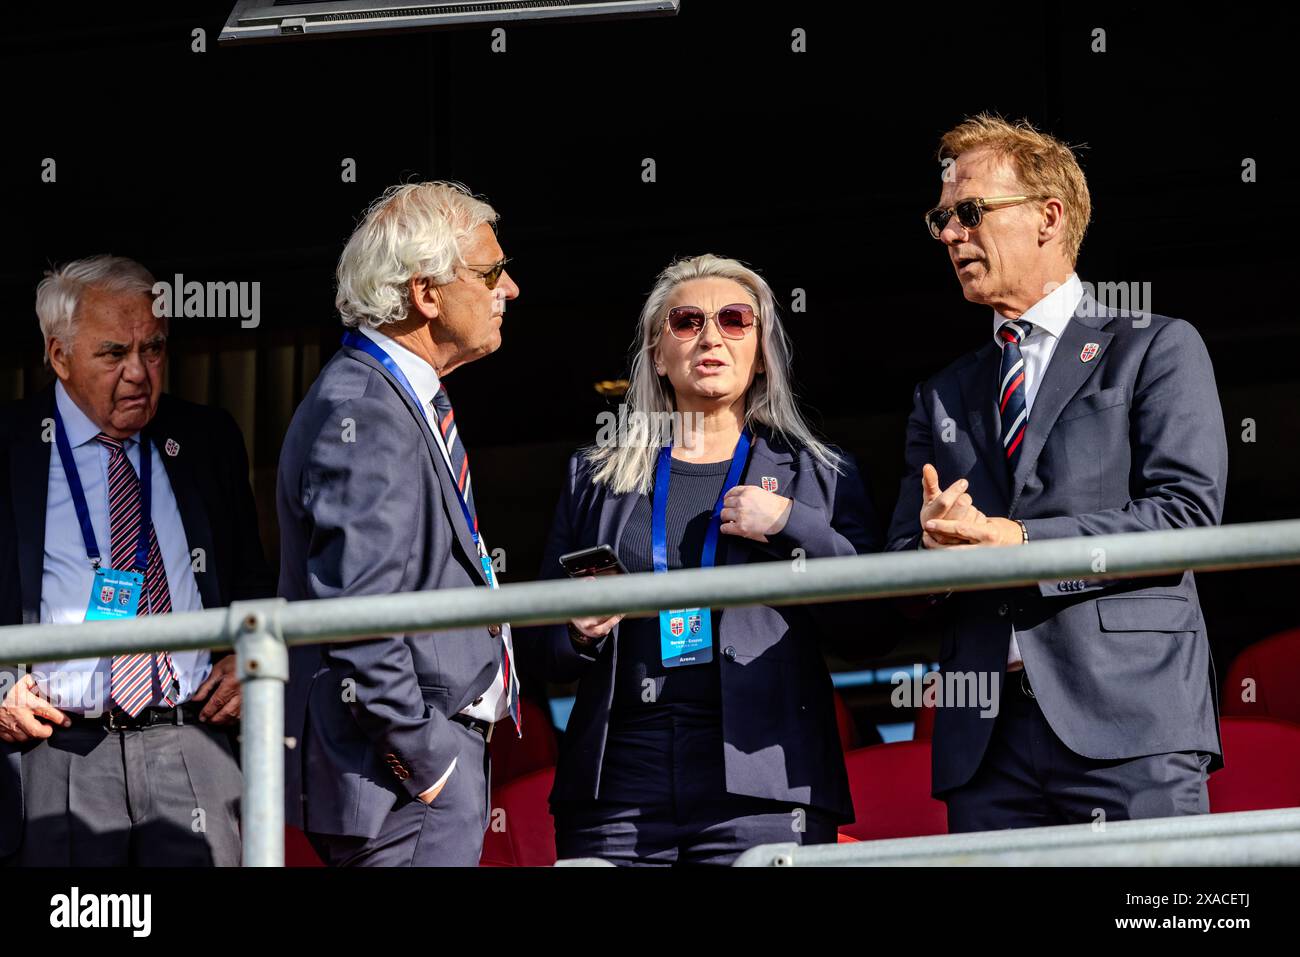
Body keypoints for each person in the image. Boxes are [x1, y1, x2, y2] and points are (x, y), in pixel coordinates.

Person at [885, 114, 1227, 831]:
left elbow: (1187, 518)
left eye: (970, 212)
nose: (949, 234)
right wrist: (933, 551)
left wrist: (1017, 541)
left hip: (1130, 724)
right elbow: (898, 574)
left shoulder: (1155, 347)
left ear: (1049, 216)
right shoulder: (940, 392)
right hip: (985, 744)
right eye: (941, 218)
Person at [525, 253, 884, 865]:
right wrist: (575, 632)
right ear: (657, 354)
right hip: (617, 785)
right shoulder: (595, 475)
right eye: (686, 321)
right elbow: (537, 647)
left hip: (763, 781)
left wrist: (789, 526)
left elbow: (868, 628)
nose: (711, 336)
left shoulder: (819, 473)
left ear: (762, 350)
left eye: (735, 320)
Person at [0, 255, 273, 866]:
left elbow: (254, 576)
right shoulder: (10, 446)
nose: (139, 374)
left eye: (153, 349)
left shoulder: (206, 437)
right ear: (59, 355)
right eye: (113, 353)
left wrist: (245, 658)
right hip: (60, 754)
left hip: (192, 743)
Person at [279, 182, 522, 866]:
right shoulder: (367, 408)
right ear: (426, 293)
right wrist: (427, 761)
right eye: (491, 271)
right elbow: (359, 614)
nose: (510, 289)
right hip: (403, 790)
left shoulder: (385, 395)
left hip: (410, 784)